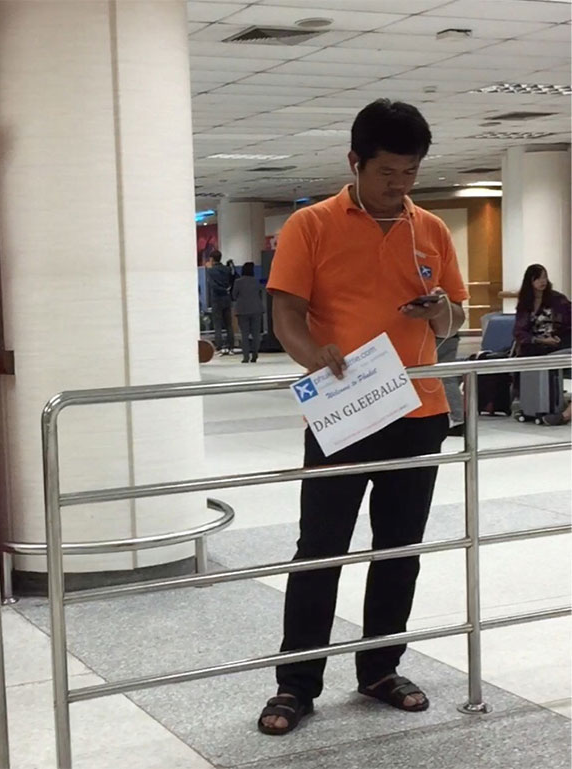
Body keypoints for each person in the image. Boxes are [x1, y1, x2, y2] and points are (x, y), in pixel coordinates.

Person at [258, 99, 467, 736]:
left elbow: (455, 318)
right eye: (387, 173)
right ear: (354, 162)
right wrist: (311, 355)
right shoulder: (312, 225)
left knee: (398, 549)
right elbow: (285, 314)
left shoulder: (429, 228)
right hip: (343, 411)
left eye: (410, 173)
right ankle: (296, 684)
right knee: (319, 549)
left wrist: (438, 313)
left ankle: (380, 667)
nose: (399, 186)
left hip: (418, 409)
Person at [513, 264, 571, 355]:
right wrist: (541, 340)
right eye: (538, 278)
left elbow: (568, 320)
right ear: (530, 281)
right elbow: (519, 331)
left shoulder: (558, 299)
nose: (542, 281)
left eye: (544, 277)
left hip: (558, 339)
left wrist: (559, 336)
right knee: (529, 349)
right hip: (535, 342)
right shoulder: (525, 302)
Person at [233, 262, 263, 363]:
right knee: (256, 334)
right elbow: (260, 293)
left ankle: (246, 357)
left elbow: (234, 295)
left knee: (244, 334)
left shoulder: (238, 282)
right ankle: (255, 355)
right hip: (256, 309)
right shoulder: (256, 281)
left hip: (242, 310)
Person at [436, 332, 464, 436]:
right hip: (451, 334)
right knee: (449, 378)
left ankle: (455, 419)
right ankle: (457, 419)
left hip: (435, 337)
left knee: (446, 379)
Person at [207, 250, 235, 355]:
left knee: (217, 324)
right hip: (227, 299)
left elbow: (213, 285)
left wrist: (222, 290)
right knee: (229, 324)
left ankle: (219, 347)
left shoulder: (211, 271)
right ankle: (231, 347)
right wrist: (226, 290)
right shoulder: (227, 269)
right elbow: (232, 280)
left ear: (212, 259)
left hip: (216, 299)